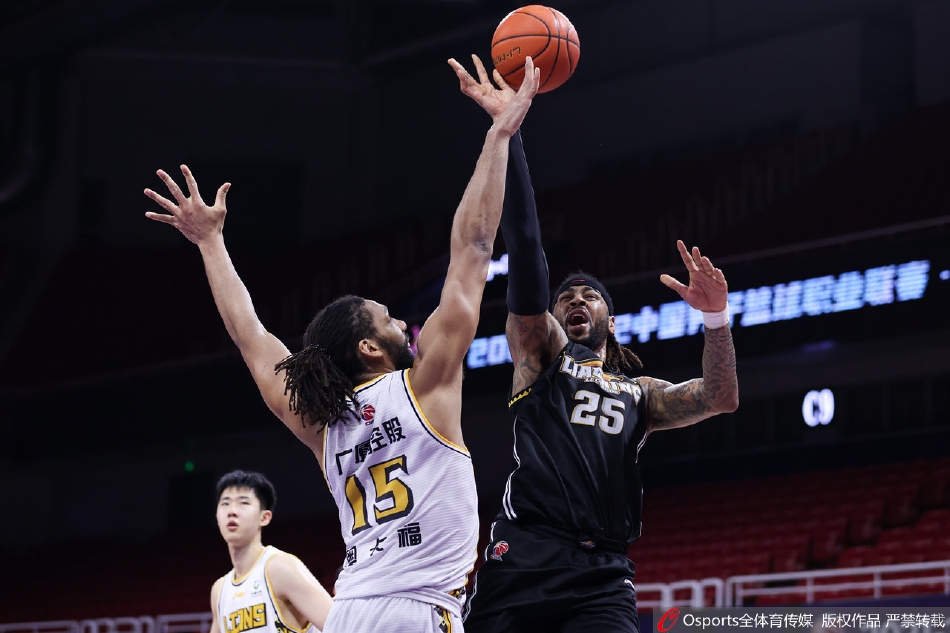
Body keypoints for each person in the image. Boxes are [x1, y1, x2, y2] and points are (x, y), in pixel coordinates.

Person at [145, 56, 540, 633]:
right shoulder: (426, 384)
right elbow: (475, 248)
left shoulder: (322, 423)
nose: (403, 324)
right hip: (415, 610)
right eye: (388, 321)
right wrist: (498, 135)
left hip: (350, 611)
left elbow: (251, 337)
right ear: (369, 349)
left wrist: (210, 244)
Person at [451, 57, 740, 632]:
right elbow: (527, 250)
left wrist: (716, 318)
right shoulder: (541, 358)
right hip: (524, 557)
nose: (576, 300)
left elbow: (720, 397)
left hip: (603, 574)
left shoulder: (641, 393)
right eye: (566, 298)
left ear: (612, 319)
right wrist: (510, 132)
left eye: (590, 296)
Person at [210, 469, 333, 633]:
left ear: (264, 517)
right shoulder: (219, 590)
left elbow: (342, 626)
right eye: (225, 503)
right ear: (217, 517)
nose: (232, 511)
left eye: (243, 503)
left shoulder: (281, 568)